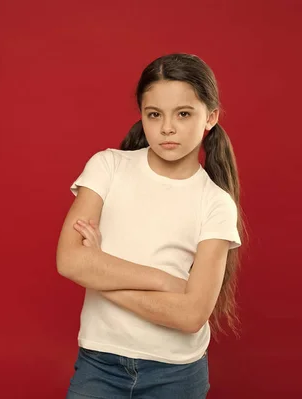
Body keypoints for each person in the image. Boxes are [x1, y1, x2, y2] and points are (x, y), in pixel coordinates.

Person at [56, 53, 244, 398]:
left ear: (210, 117)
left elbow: (191, 316)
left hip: (176, 374)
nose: (167, 128)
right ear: (142, 116)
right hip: (100, 363)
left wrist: (100, 272)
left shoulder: (216, 203)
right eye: (154, 114)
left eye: (183, 114)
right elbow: (69, 261)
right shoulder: (108, 167)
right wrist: (165, 282)